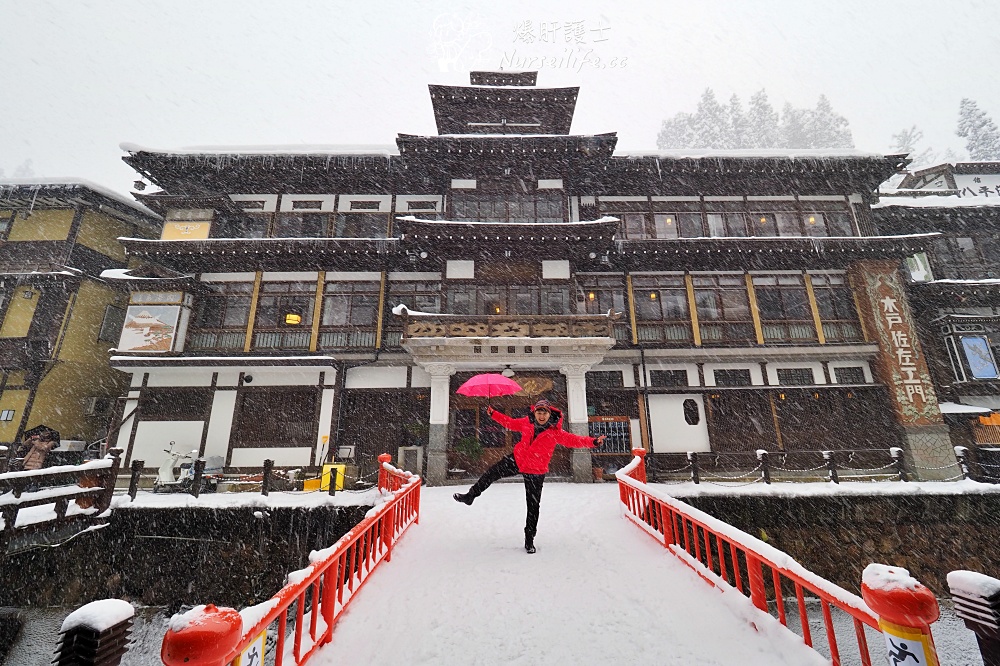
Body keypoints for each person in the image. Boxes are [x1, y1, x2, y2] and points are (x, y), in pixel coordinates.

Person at [453, 398, 606, 554]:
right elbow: (509, 423)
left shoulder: (555, 432)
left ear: (549, 414)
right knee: (491, 473)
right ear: (535, 412)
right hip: (518, 460)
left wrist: (593, 442)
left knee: (533, 506)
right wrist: (493, 414)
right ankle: (471, 495)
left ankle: (529, 539)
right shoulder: (527, 422)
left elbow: (574, 440)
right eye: (539, 412)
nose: (541, 416)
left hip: (536, 470)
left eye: (544, 413)